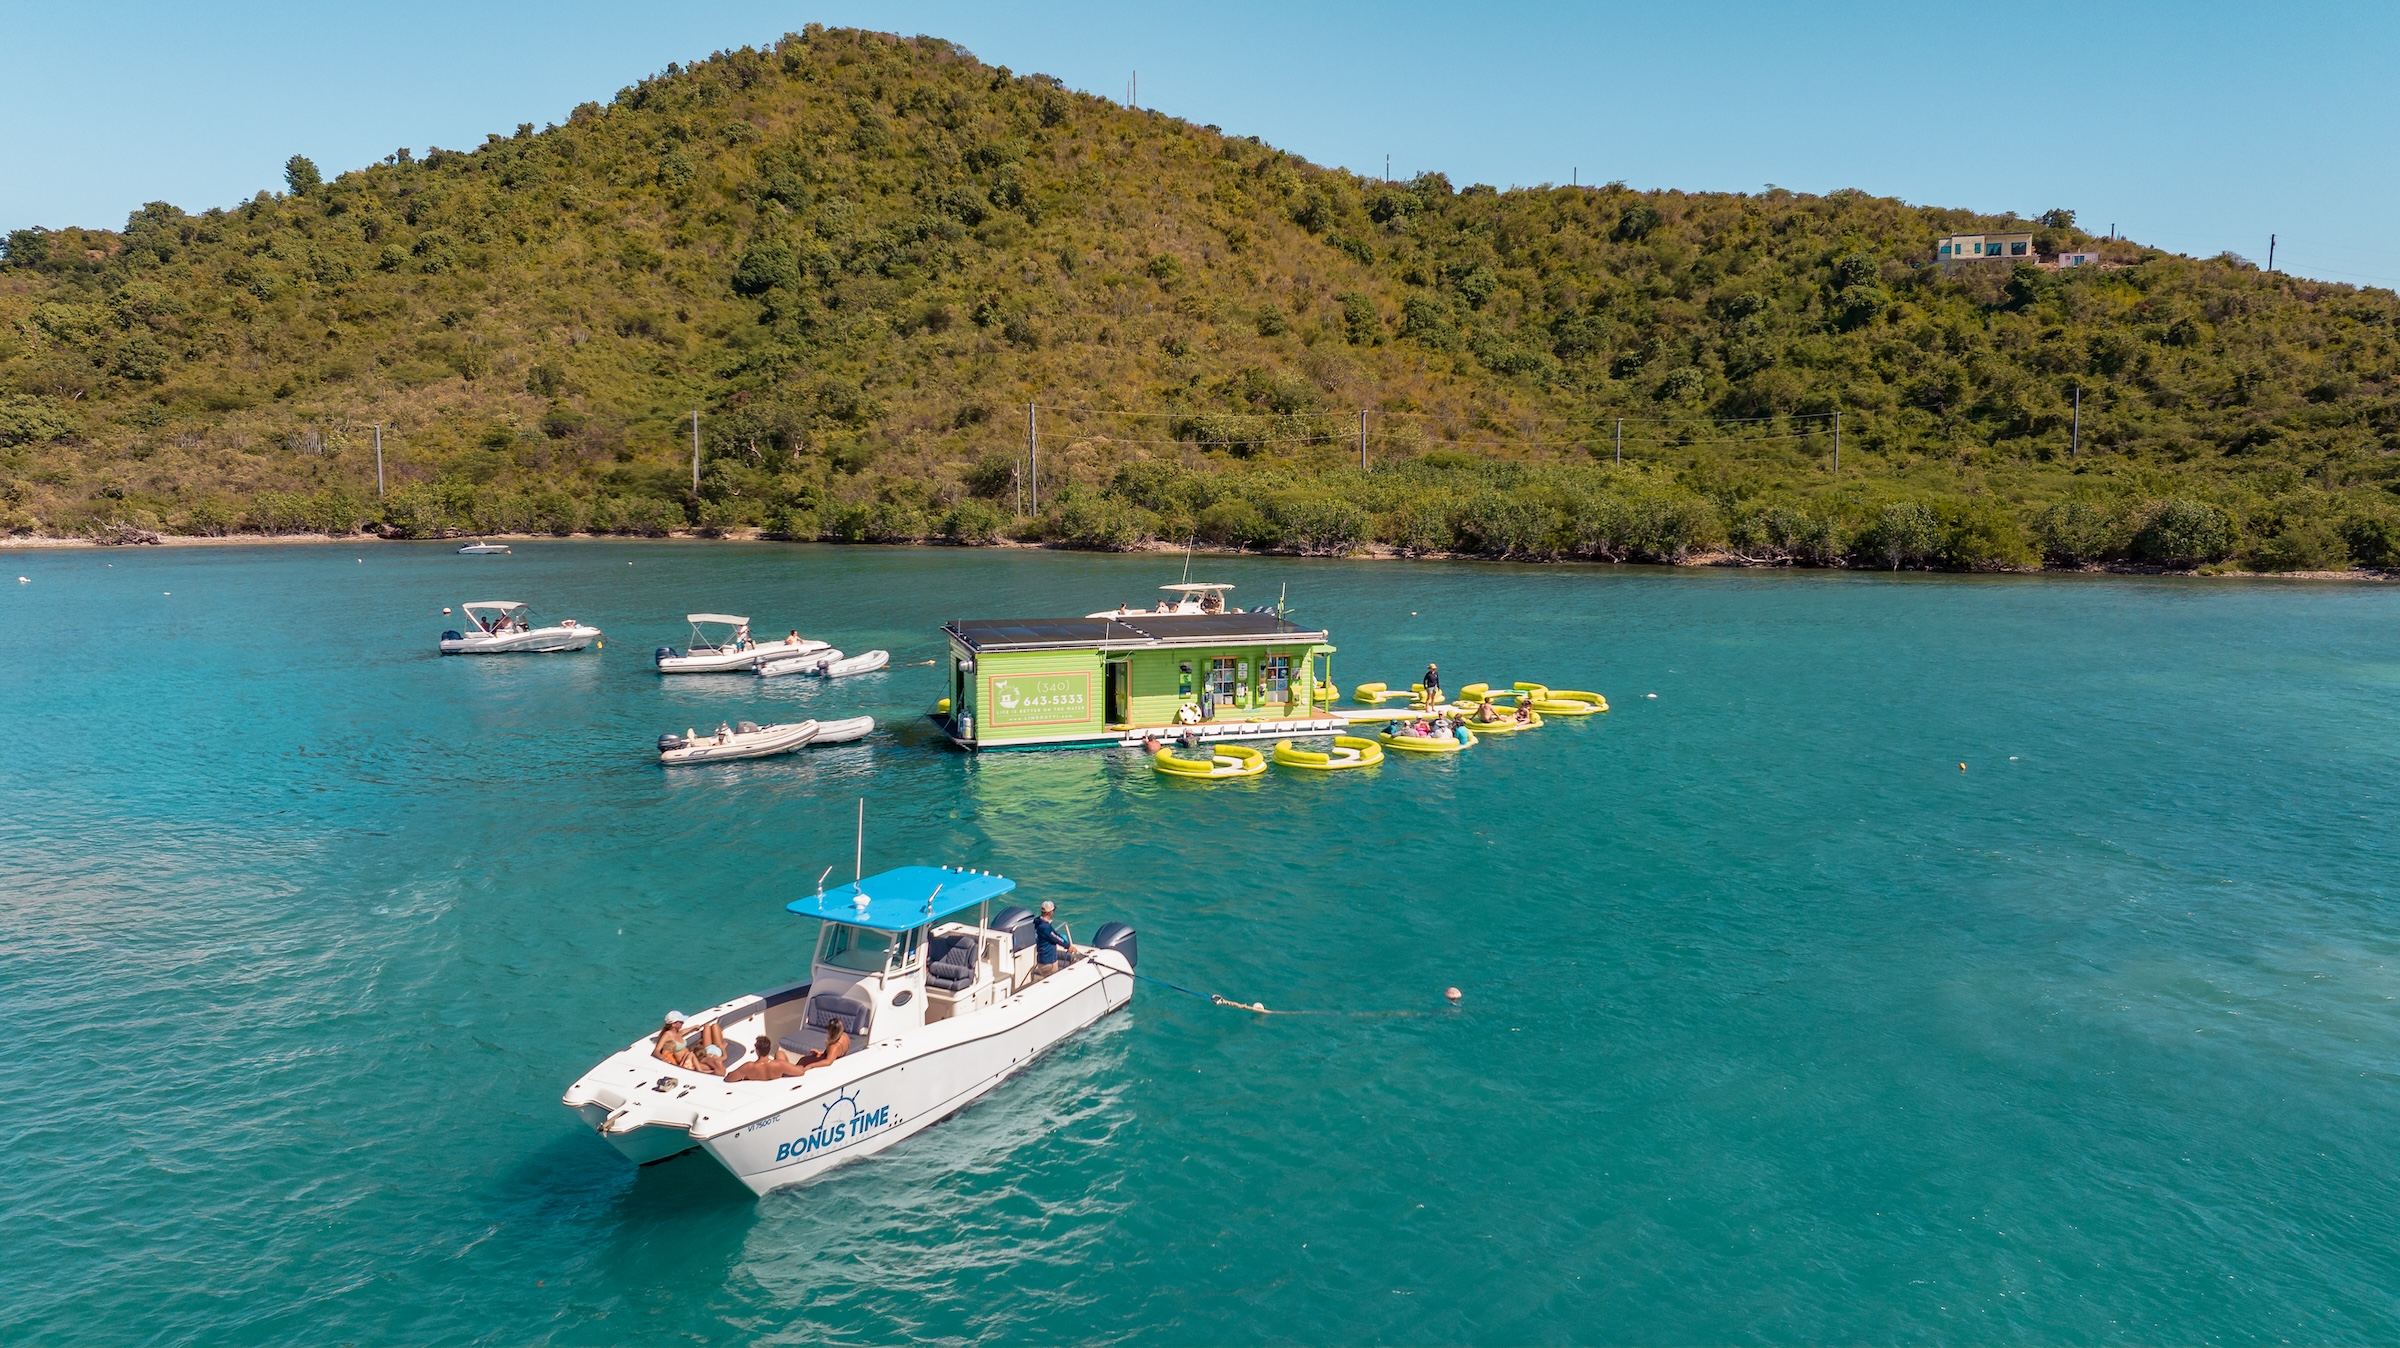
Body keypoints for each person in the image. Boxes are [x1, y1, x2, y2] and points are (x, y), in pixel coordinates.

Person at [652, 1014, 726, 1075]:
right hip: (687, 1063)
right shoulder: (667, 1035)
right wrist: (664, 1059)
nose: (683, 1023)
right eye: (681, 1022)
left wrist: (694, 1027)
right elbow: (656, 1051)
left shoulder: (677, 1032)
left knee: (716, 1062)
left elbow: (683, 1032)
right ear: (673, 1024)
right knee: (717, 1065)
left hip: (693, 1057)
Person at [724, 1035, 804, 1083]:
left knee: (779, 1054)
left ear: (757, 1050)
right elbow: (800, 1071)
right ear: (769, 1049)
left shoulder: (749, 1067)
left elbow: (729, 1078)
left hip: (758, 1086)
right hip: (777, 1075)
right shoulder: (780, 1064)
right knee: (780, 1054)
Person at [1033, 900, 1080, 977]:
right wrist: (1068, 946)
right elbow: (1056, 937)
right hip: (1048, 962)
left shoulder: (1038, 922)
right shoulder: (1045, 927)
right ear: (1050, 912)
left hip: (1041, 960)